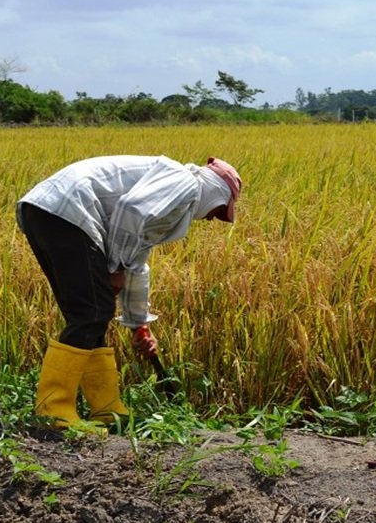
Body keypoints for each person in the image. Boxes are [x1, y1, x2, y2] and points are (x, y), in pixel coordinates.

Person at [16, 155, 242, 428]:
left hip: (48, 211)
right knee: (92, 313)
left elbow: (137, 260)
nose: (211, 219)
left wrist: (139, 324)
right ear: (215, 191)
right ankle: (54, 410)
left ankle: (107, 409)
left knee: (91, 313)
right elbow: (131, 210)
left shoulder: (171, 199)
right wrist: (115, 267)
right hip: (67, 211)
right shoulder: (185, 184)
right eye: (219, 210)